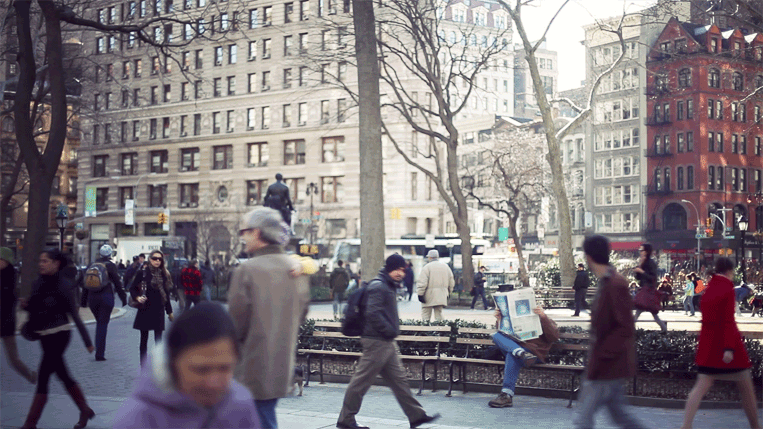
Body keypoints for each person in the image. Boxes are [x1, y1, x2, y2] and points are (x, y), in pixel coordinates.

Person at [113, 302, 262, 429]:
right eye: (201, 370)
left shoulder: (241, 405)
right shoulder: (136, 420)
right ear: (172, 363)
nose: (213, 383)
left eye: (224, 368)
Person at [336, 254, 441, 429]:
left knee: (399, 381)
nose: (400, 273)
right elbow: (373, 313)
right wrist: (389, 330)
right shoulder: (379, 286)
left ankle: (416, 416)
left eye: (402, 270)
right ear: (389, 268)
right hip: (376, 341)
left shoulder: (387, 285)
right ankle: (346, 419)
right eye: (397, 269)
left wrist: (389, 333)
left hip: (385, 341)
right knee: (360, 383)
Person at [228, 207, 311, 429]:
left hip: (249, 368)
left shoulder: (247, 271)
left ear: (257, 232)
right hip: (281, 366)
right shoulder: (296, 270)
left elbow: (235, 326)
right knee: (264, 416)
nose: (243, 237)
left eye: (244, 231)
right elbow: (301, 315)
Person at [574, 235, 646, 429]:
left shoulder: (614, 284)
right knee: (621, 417)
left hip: (605, 367)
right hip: (608, 365)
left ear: (588, 257)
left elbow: (624, 327)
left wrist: (602, 356)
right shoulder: (609, 281)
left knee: (583, 420)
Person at [680, 258, 761, 429]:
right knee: (746, 387)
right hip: (728, 347)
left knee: (700, 387)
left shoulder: (709, 287)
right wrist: (729, 348)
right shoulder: (727, 288)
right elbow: (728, 321)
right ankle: (755, 426)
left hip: (708, 347)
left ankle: (686, 425)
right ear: (729, 271)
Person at [20, 249, 96, 429]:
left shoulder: (64, 285)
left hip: (60, 335)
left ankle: (30, 423)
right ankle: (84, 410)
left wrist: (87, 342)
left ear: (56, 264)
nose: (41, 264)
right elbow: (36, 309)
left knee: (44, 376)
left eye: (45, 261)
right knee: (63, 375)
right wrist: (27, 306)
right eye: (40, 261)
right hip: (44, 336)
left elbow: (74, 315)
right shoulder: (38, 283)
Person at [488, 305, 559, 408]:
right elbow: (504, 335)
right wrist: (500, 320)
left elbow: (554, 337)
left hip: (533, 355)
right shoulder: (513, 320)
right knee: (496, 335)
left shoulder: (543, 319)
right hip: (517, 350)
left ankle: (506, 395)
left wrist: (543, 316)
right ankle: (520, 352)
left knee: (512, 355)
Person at [81, 244, 127, 362]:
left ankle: (99, 350)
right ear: (110, 254)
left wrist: (83, 301)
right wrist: (123, 298)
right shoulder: (110, 265)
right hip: (106, 297)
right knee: (102, 324)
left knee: (99, 323)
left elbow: (85, 283)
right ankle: (100, 354)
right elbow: (117, 283)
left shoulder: (91, 265)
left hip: (92, 298)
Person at [129, 249, 175, 366]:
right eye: (155, 258)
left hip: (158, 310)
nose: (157, 261)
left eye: (160, 259)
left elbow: (166, 295)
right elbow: (132, 288)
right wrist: (137, 297)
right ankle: (143, 365)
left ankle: (158, 366)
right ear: (150, 259)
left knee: (158, 341)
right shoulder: (143, 273)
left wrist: (169, 312)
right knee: (143, 340)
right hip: (145, 309)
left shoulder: (164, 274)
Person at [0, 247, 37, 384]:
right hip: (6, 322)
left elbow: (8, 300)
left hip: (5, 324)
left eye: (0, 259)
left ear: (7, 261)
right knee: (13, 358)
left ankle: (30, 376)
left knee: (13, 359)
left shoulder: (9, 277)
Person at [633, 243, 668, 333]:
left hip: (648, 291)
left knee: (644, 312)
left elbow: (653, 278)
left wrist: (641, 271)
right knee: (648, 313)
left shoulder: (651, 263)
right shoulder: (643, 262)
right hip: (645, 291)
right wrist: (639, 268)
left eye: (642, 250)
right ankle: (664, 329)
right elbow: (638, 278)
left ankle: (664, 329)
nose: (640, 252)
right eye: (640, 250)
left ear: (646, 251)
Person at [416, 250, 455, 322]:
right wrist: (448, 292)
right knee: (439, 314)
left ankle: (426, 327)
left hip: (428, 295)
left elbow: (422, 282)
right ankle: (440, 327)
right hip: (441, 294)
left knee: (426, 314)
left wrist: (420, 294)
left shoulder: (426, 267)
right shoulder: (446, 267)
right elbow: (451, 282)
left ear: (430, 257)